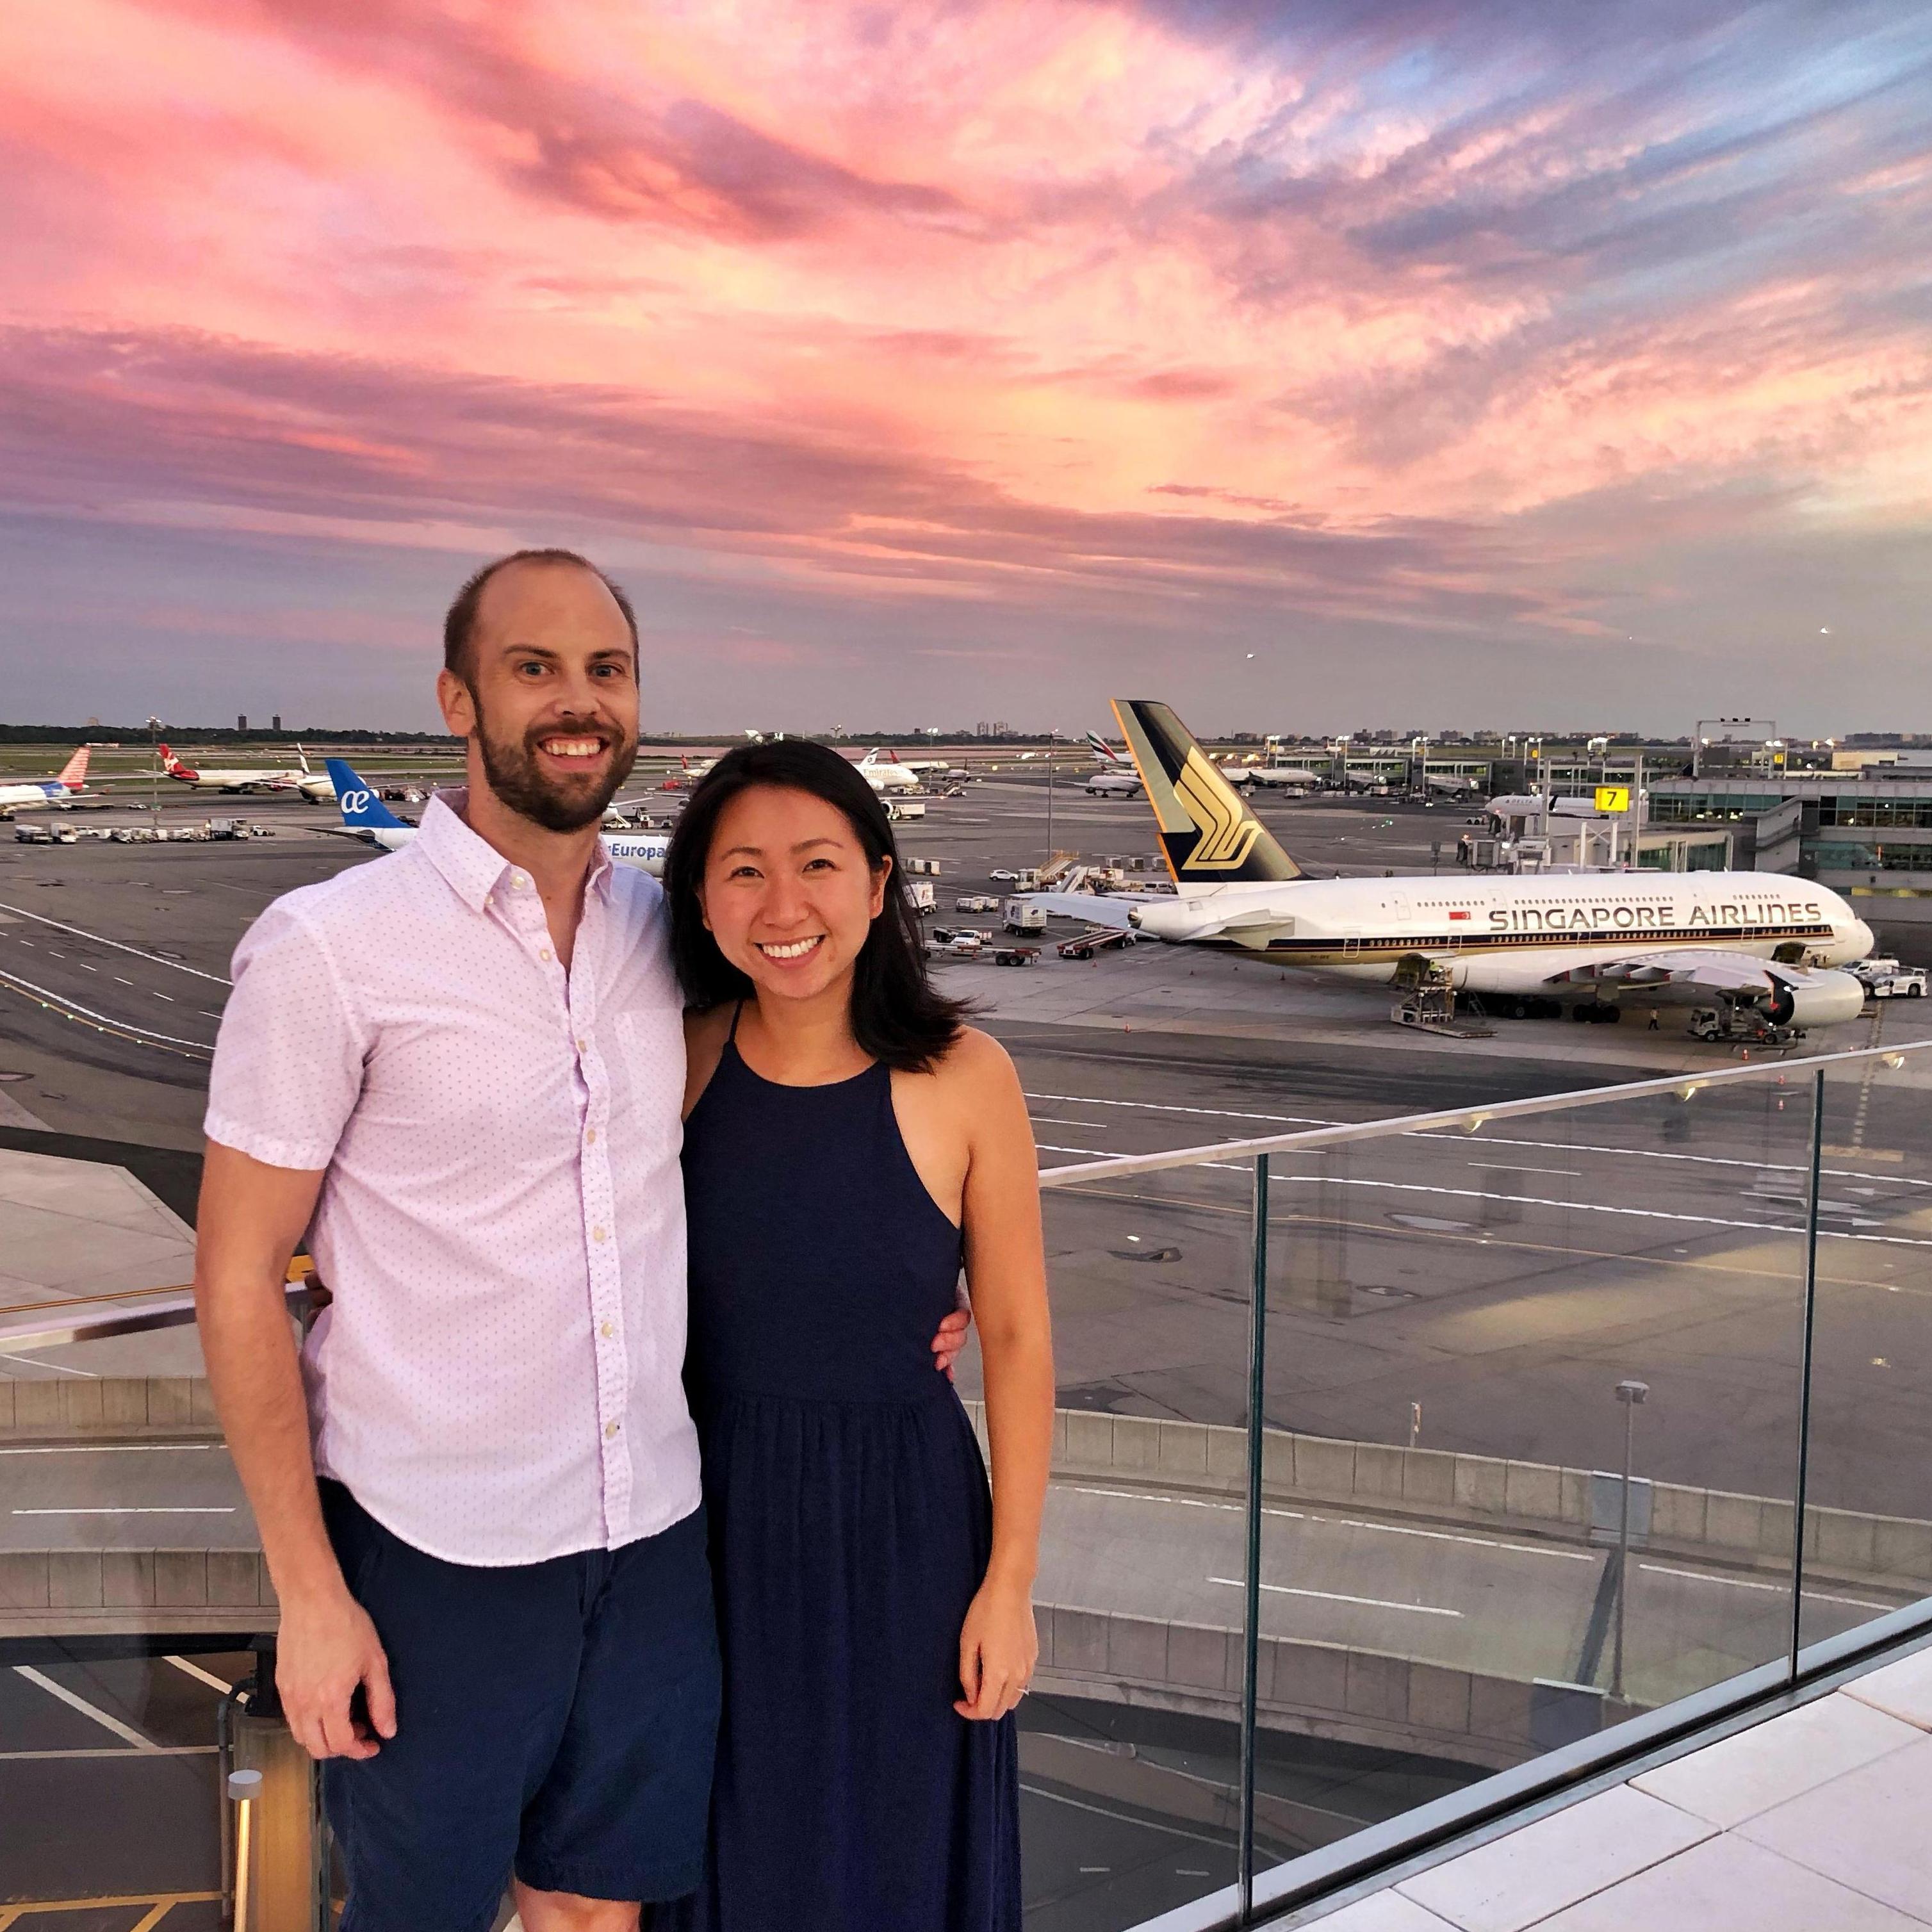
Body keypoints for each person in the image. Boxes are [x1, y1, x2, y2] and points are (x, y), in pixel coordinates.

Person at [193, 550, 968, 1932]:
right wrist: (307, 1590)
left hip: (658, 1529)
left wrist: (888, 1281)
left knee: (595, 1909)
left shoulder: (657, 930)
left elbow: (793, 1085)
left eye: (605, 670)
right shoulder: (330, 947)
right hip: (440, 1547)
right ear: (457, 697)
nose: (577, 702)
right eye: (533, 667)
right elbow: (240, 1272)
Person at [655, 742, 1054, 1932]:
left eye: (817, 865)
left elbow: (1022, 1340)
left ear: (880, 885)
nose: (784, 908)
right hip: (709, 1525)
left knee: (897, 1845)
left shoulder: (967, 1074)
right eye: (743, 872)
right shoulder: (676, 1060)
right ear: (699, 897)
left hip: (909, 1532)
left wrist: (1011, 1587)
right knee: (732, 1846)